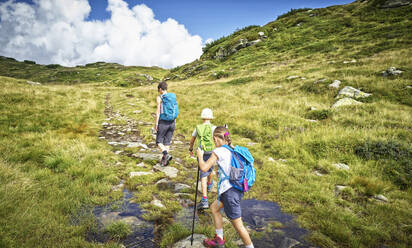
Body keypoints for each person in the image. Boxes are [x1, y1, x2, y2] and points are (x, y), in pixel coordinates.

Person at [197, 126, 254, 248]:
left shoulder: (219, 151)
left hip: (230, 193)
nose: (214, 142)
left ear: (216, 138)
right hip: (235, 189)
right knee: (214, 208)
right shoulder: (232, 149)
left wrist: (200, 156)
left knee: (238, 226)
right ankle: (219, 239)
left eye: (214, 140)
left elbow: (204, 168)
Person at [189, 108, 216, 210]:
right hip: (212, 152)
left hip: (202, 152)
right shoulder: (214, 128)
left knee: (203, 174)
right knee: (210, 168)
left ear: (202, 117)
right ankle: (209, 184)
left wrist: (191, 149)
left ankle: (204, 200)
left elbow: (192, 141)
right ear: (211, 117)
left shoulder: (198, 128)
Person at [155, 81, 178, 166]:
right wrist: (174, 120)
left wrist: (156, 124)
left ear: (160, 89)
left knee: (159, 141)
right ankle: (165, 161)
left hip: (163, 122)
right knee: (167, 142)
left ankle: (165, 154)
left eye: (158, 90)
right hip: (172, 121)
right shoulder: (173, 96)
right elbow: (174, 108)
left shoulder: (160, 97)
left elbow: (158, 112)